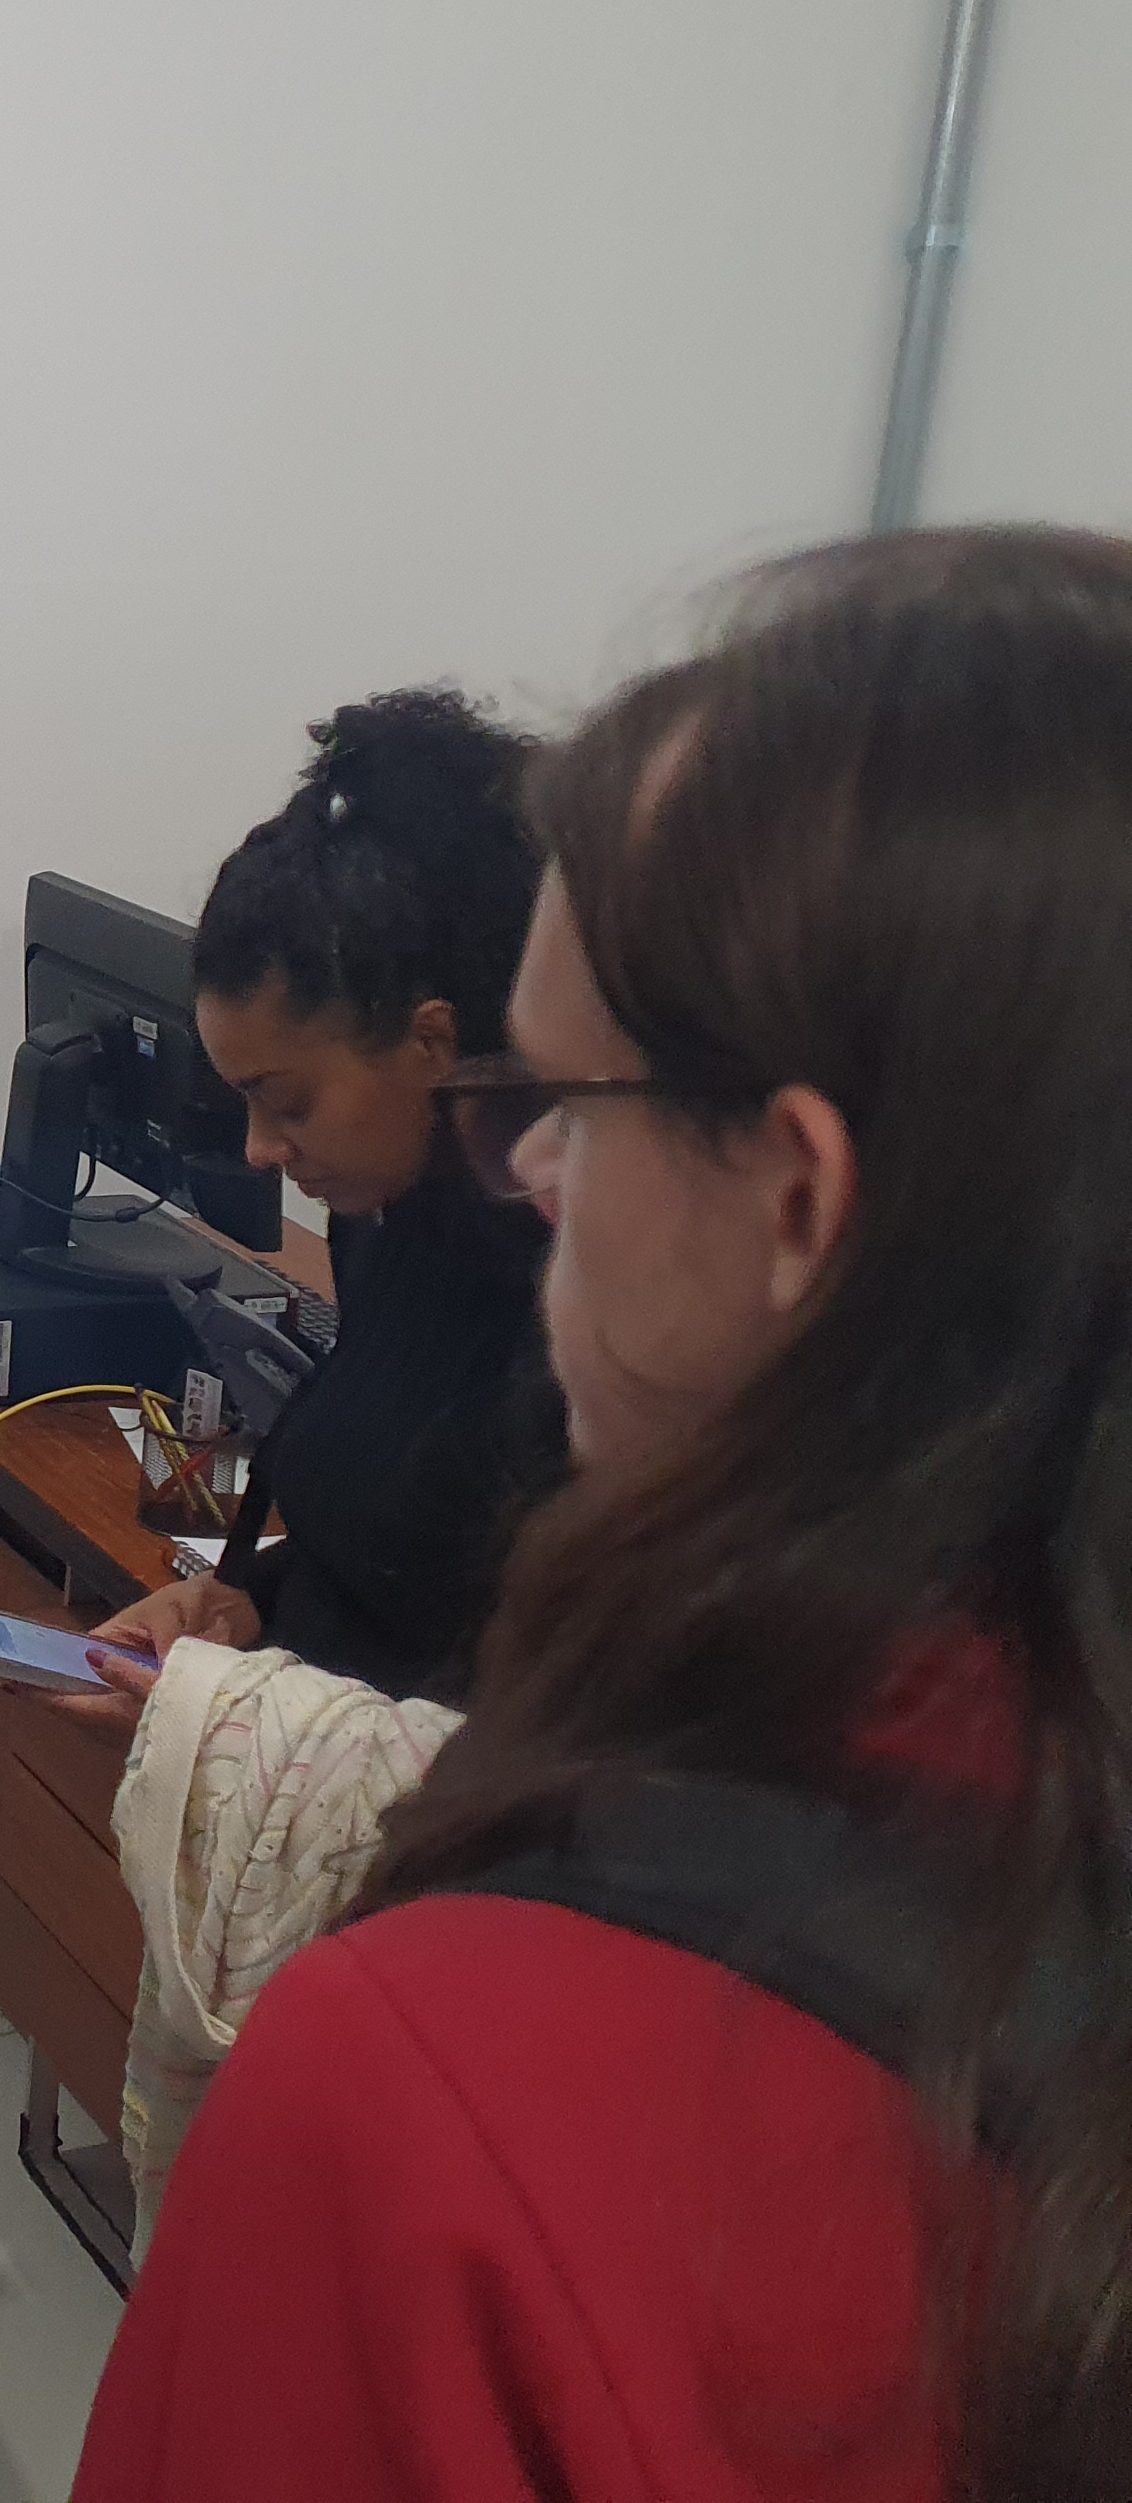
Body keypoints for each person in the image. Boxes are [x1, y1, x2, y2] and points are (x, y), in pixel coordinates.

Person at [77, 528, 1132, 2500]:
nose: (530, 1171)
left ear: (795, 1200)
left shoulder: (441, 2103)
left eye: (560, 1100)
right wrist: (246, 1619)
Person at [52, 688, 560, 1735]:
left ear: (431, 1043)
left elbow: (499, 1703)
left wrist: (243, 1720)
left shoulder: (574, 1312)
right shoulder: (383, 1219)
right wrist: (245, 1606)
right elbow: (375, 1569)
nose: (260, 1150)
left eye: (287, 1103)